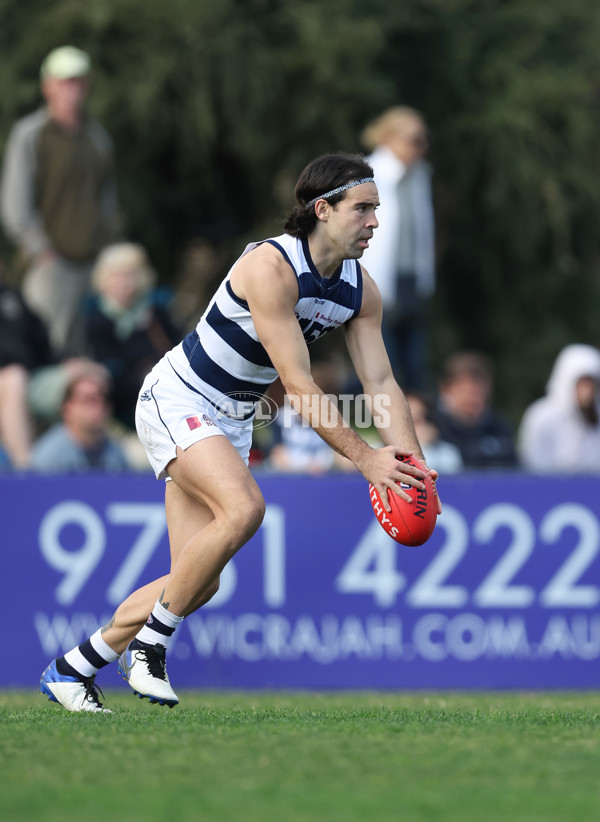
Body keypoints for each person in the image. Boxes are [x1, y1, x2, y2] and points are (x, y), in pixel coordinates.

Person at [40, 152, 440, 713]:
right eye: (364, 209)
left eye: (376, 210)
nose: (376, 222)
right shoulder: (270, 268)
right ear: (322, 210)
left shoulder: (360, 290)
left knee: (198, 582)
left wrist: (413, 470)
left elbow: (380, 382)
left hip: (231, 418)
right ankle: (150, 647)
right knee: (245, 508)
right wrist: (366, 460)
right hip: (178, 397)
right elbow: (299, 386)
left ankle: (72, 669)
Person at [0, 46, 119, 358]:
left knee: (91, 347)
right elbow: (15, 201)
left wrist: (108, 247)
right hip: (51, 263)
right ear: (47, 86)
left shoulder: (97, 136)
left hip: (94, 262)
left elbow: (107, 198)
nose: (73, 88)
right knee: (47, 347)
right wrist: (40, 249)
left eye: (78, 81)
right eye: (65, 81)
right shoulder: (30, 134)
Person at [360, 106, 435, 390]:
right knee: (380, 353)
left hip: (412, 278)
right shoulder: (369, 173)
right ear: (389, 138)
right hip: (376, 278)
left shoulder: (420, 176)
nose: (422, 147)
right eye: (415, 139)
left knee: (414, 359)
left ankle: (413, 414)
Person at [84, 243, 181, 429]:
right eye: (115, 276)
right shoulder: (97, 320)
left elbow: (177, 349)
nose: (122, 282)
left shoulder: (156, 312)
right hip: (129, 403)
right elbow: (109, 369)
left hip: (168, 389)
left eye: (128, 275)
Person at [31, 364, 130, 473]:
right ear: (67, 408)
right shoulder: (50, 457)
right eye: (88, 399)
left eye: (103, 398)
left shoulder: (115, 453)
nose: (99, 405)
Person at [518, 343, 600, 473]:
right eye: (582, 382)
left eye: (591, 383)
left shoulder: (596, 418)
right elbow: (533, 465)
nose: (587, 391)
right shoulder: (541, 417)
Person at [0, 278, 54, 470]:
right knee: (14, 378)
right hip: (13, 377)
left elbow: (41, 338)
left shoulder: (12, 296)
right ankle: (23, 466)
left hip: (31, 375)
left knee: (85, 382)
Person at [433, 351, 518, 469]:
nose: (473, 399)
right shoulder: (432, 424)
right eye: (467, 392)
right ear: (446, 389)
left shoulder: (499, 425)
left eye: (478, 392)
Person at [406, 391, 463, 474]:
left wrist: (422, 447)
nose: (410, 427)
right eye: (406, 420)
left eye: (416, 420)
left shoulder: (447, 453)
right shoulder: (382, 452)